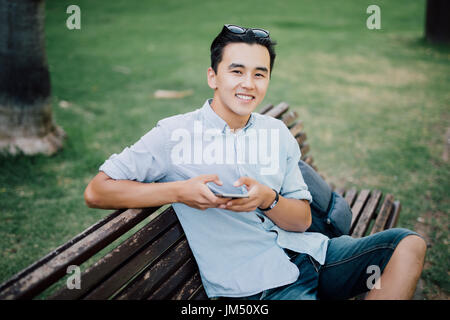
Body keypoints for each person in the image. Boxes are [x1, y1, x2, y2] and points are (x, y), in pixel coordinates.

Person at [84, 24, 427, 300]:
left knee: (407, 245)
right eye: (237, 71)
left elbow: (302, 220)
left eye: (259, 74)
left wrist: (269, 199)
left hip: (312, 255)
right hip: (258, 287)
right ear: (212, 77)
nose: (248, 84)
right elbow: (98, 191)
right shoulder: (174, 134)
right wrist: (179, 191)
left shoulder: (276, 132)